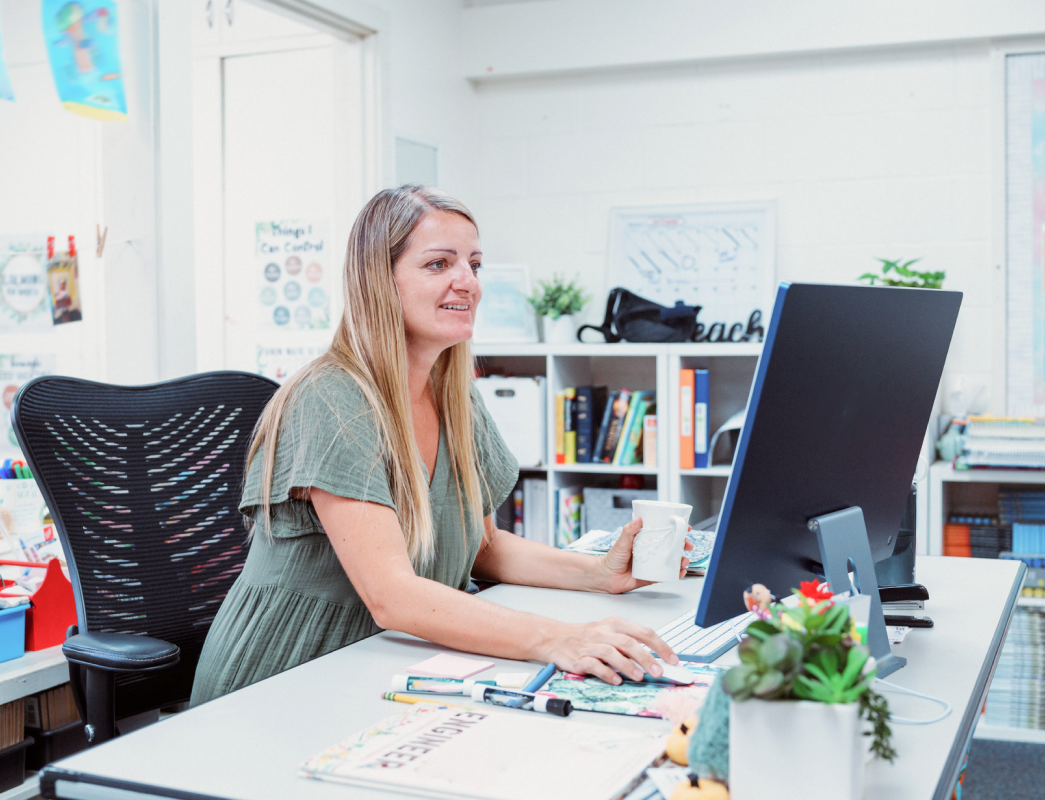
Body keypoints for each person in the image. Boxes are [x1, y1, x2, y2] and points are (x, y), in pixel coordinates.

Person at [191, 185, 689, 705]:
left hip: (390, 659)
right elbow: (391, 596)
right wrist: (556, 637)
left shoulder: (453, 395)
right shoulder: (331, 398)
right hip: (289, 674)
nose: (467, 282)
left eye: (474, 263)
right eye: (438, 264)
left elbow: (481, 547)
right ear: (379, 282)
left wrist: (598, 574)